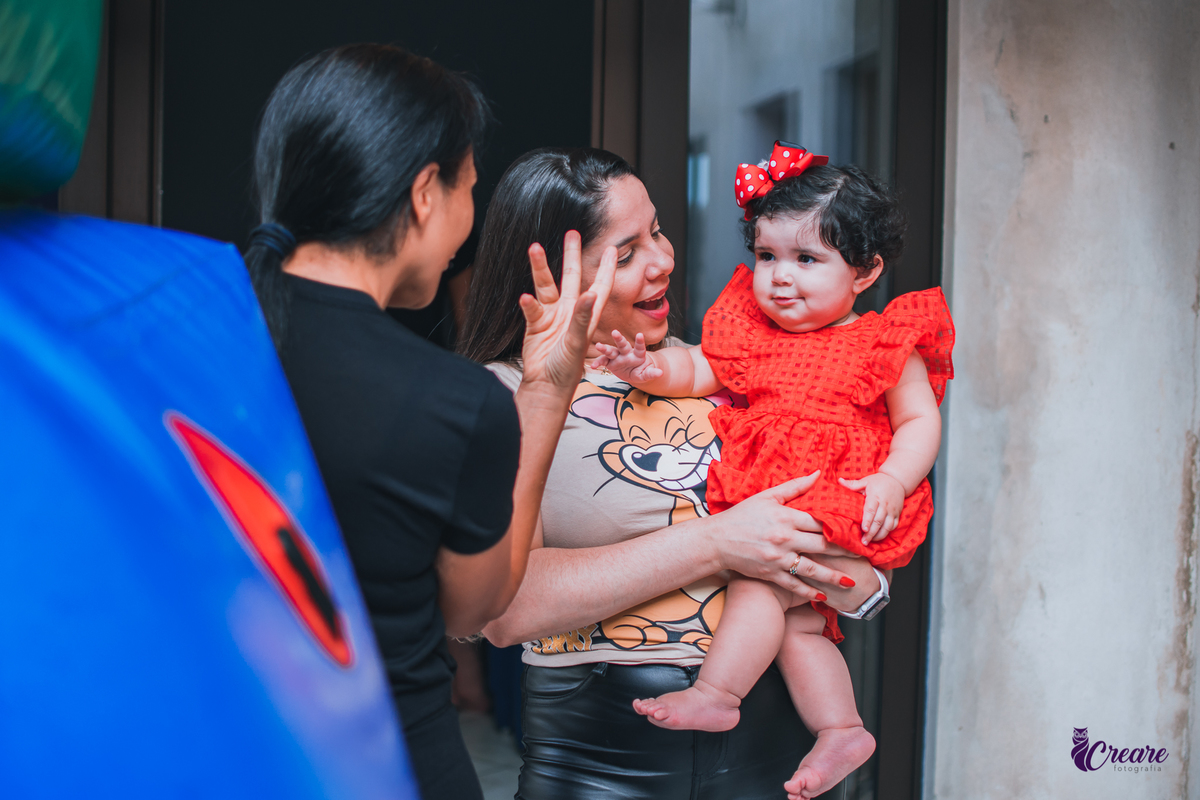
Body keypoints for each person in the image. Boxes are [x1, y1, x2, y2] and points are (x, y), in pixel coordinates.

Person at [241, 46, 616, 800]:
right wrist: (545, 392)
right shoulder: (450, 400)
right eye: (468, 191)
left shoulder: (178, 336)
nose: (465, 228)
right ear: (423, 194)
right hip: (386, 765)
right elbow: (475, 607)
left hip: (214, 748)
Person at [458, 146, 888, 800]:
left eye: (656, 231)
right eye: (626, 253)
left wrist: (859, 571)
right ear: (552, 269)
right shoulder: (506, 394)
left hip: (776, 761)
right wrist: (717, 543)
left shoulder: (729, 367)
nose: (662, 260)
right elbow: (502, 609)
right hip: (600, 767)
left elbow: (860, 579)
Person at [591, 142, 954, 798]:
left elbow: (920, 423)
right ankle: (841, 727)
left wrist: (893, 481)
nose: (780, 277)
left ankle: (716, 691)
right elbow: (700, 368)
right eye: (766, 256)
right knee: (799, 625)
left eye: (807, 259)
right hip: (775, 503)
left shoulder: (882, 343)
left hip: (839, 499)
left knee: (762, 589)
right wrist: (647, 369)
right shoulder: (753, 334)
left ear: (865, 272)